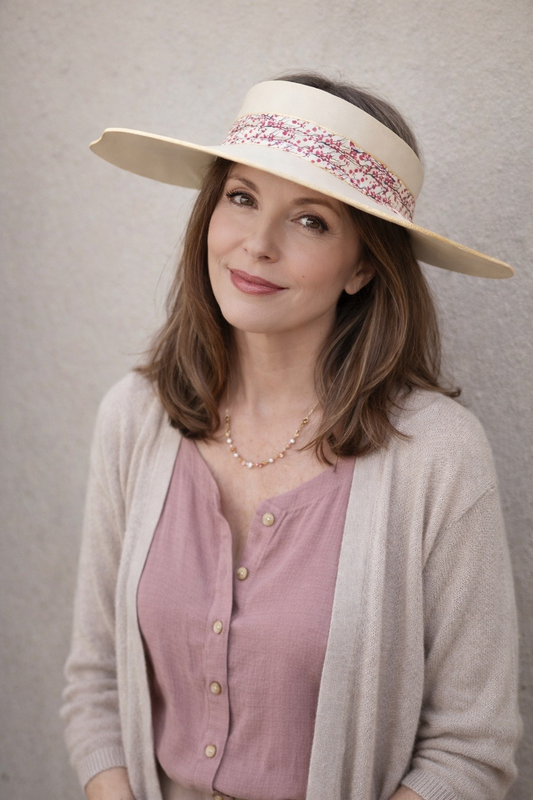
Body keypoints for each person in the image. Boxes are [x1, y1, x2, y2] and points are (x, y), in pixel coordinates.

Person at [61, 73, 521, 800]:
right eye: (240, 198)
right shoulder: (133, 418)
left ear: (362, 265)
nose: (257, 245)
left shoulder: (437, 455)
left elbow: (471, 746)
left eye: (309, 220)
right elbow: (95, 683)